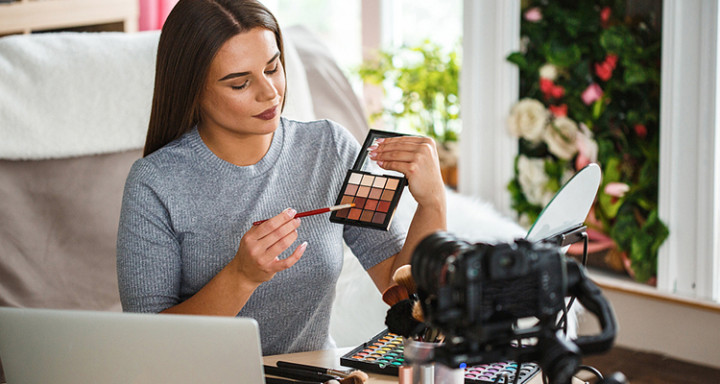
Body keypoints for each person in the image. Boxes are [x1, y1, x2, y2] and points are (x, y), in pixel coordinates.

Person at [116, 0, 446, 356]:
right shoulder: (155, 183)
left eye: (273, 68)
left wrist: (432, 202)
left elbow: (402, 293)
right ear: (193, 89)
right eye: (240, 84)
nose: (269, 92)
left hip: (318, 375)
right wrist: (240, 277)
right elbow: (149, 347)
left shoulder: (330, 148)